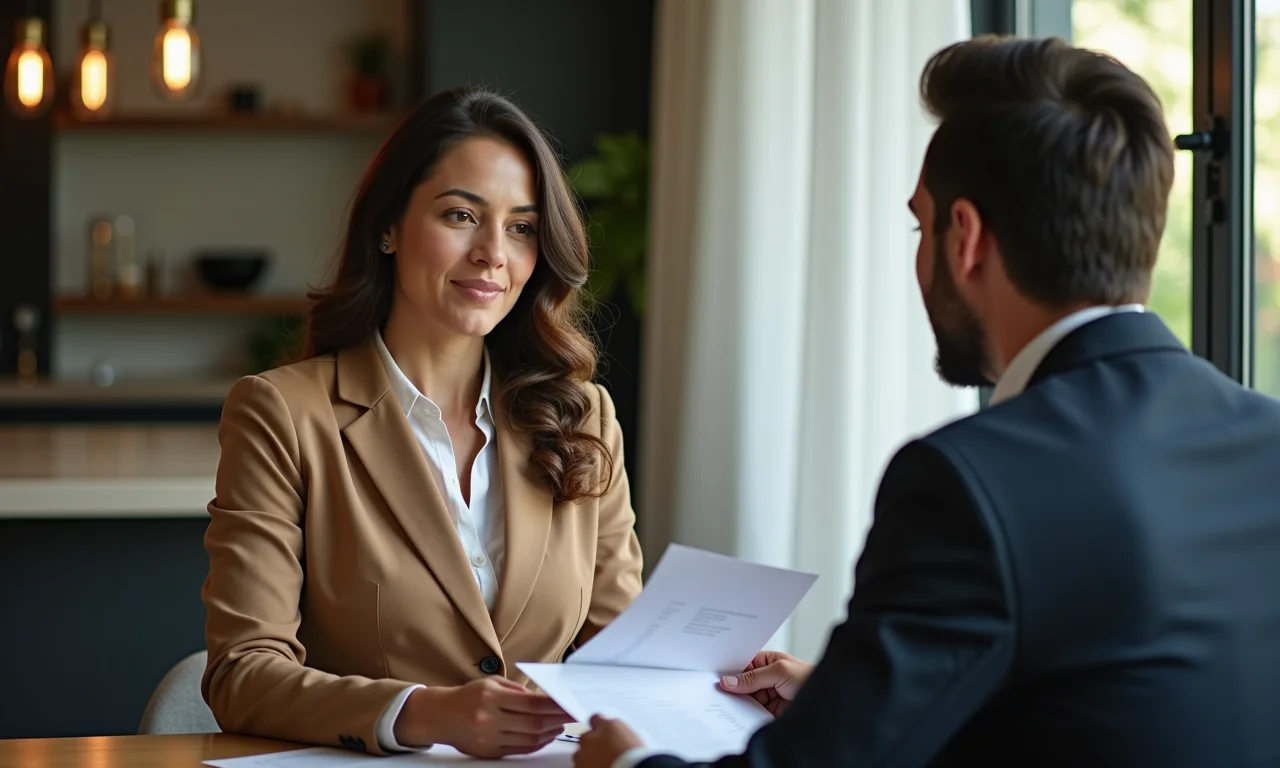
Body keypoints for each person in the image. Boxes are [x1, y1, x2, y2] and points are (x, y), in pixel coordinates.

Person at [575, 34, 1280, 768]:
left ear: (965, 238)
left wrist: (627, 765)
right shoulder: (1268, 439)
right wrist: (848, 699)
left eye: (921, 224)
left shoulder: (972, 481)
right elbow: (1113, 702)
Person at [201, 86, 643, 759]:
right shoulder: (283, 414)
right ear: (388, 226)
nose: (493, 252)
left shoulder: (584, 416)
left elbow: (621, 656)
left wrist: (720, 679)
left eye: (522, 227)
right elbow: (242, 672)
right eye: (461, 215)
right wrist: (424, 714)